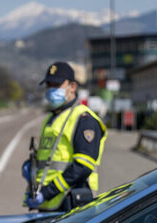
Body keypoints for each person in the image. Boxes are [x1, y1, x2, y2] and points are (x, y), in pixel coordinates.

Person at [24, 61, 107, 212]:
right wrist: (31, 168)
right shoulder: (52, 118)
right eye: (48, 85)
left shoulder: (84, 119)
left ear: (72, 87)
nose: (51, 89)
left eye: (56, 85)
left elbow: (83, 166)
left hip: (71, 202)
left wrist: (47, 192)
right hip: (48, 202)